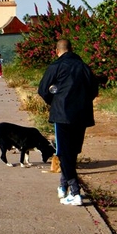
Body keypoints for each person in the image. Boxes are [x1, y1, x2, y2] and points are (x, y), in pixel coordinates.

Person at [38, 39, 98, 206]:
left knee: (64, 153)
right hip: (81, 115)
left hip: (62, 115)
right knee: (72, 152)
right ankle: (63, 186)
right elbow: (94, 90)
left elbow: (43, 90)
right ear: (71, 49)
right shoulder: (84, 67)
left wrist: (55, 101)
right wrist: (81, 103)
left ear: (57, 51)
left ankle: (75, 191)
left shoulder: (55, 67)